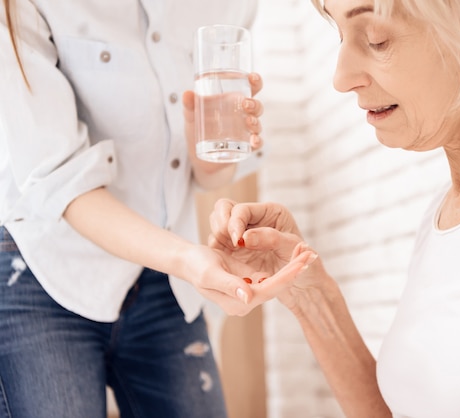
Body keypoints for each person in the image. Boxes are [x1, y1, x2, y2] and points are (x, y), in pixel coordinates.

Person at [208, 0, 460, 417]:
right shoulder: (443, 213)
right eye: (339, 36)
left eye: (376, 38)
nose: (340, 78)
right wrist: (308, 293)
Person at [0, 1, 316, 417]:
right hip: (45, 270)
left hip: (163, 279)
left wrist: (207, 147)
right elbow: (63, 183)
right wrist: (189, 260)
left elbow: (206, 172)